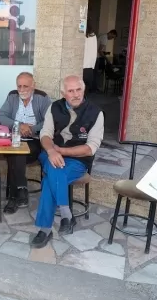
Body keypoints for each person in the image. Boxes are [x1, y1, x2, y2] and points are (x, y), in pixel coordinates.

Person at [30, 76, 104, 248]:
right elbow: (45, 134)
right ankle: (66, 214)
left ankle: (44, 230)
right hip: (50, 154)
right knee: (55, 166)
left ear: (83, 90)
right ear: (63, 93)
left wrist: (60, 151)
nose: (76, 94)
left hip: (78, 160)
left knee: (51, 178)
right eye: (71, 91)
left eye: (78, 90)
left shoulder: (96, 112)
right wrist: (51, 151)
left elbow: (90, 148)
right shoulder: (54, 107)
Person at [0, 72, 52, 214]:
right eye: (19, 86)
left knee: (17, 154)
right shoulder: (12, 96)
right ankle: (20, 190)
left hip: (34, 141)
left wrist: (31, 128)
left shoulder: (42, 98)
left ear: (33, 85)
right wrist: (19, 125)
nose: (22, 89)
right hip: (15, 138)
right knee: (16, 152)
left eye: (25, 86)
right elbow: (1, 116)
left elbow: (49, 121)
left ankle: (13, 197)